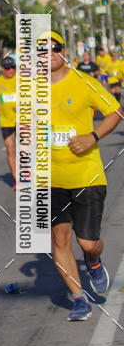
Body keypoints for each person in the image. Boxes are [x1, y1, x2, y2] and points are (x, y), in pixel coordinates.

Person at [48, 32, 122, 320]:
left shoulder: (84, 82)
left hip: (86, 175)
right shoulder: (30, 89)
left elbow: (115, 111)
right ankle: (79, 299)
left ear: (64, 51)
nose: (49, 53)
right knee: (59, 240)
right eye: (43, 50)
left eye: (55, 47)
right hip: (49, 179)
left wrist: (93, 136)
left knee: (88, 242)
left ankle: (93, 261)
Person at [0, 56, 18, 188]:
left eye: (13, 67)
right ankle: (18, 180)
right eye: (8, 68)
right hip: (6, 121)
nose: (11, 70)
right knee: (10, 149)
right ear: (2, 69)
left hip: (24, 120)